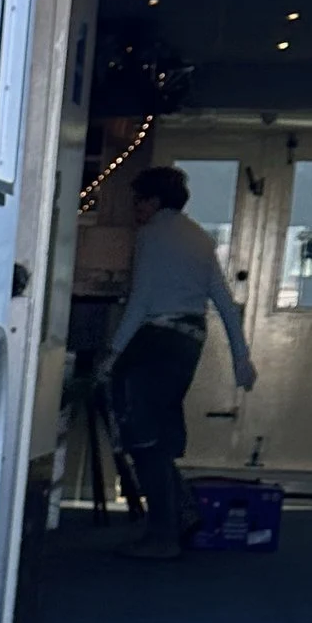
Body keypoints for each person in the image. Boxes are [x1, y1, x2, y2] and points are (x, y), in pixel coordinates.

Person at [108, 163, 254, 559]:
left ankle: (163, 535)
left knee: (143, 438)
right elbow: (224, 302)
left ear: (153, 200)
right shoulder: (199, 238)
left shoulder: (153, 236)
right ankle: (181, 512)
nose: (135, 208)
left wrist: (112, 354)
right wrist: (242, 358)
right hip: (188, 341)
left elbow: (140, 302)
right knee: (161, 432)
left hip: (154, 340)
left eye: (138, 200)